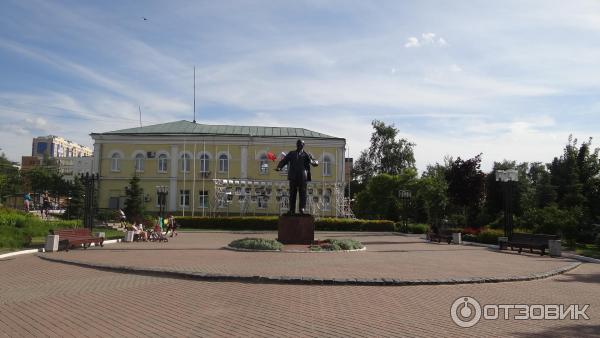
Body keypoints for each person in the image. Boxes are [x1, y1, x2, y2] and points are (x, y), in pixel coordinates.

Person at [275, 139, 318, 215]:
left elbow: (315, 163)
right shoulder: (291, 153)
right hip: (293, 176)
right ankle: (291, 210)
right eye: (298, 144)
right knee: (292, 193)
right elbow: (284, 160)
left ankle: (302, 209)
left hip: (303, 176)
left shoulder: (306, 155)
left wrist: (314, 162)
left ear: (303, 145)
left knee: (303, 193)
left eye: (300, 144)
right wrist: (279, 167)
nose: (299, 145)